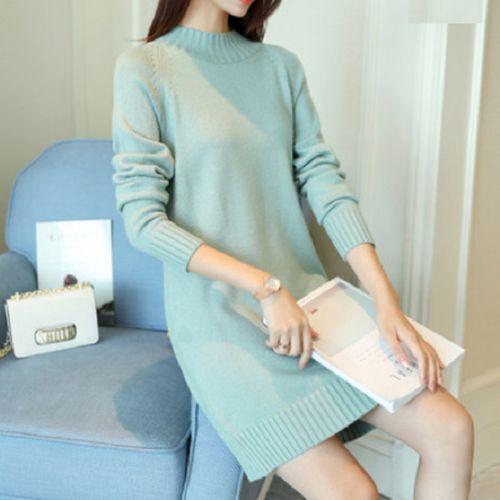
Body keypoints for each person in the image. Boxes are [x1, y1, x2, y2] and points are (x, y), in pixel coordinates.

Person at [110, 0, 475, 498]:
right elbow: (144, 222)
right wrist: (265, 288)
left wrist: (386, 302)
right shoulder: (145, 69)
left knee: (452, 429)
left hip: (311, 307)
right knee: (355, 494)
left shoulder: (280, 68)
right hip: (223, 328)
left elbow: (325, 184)